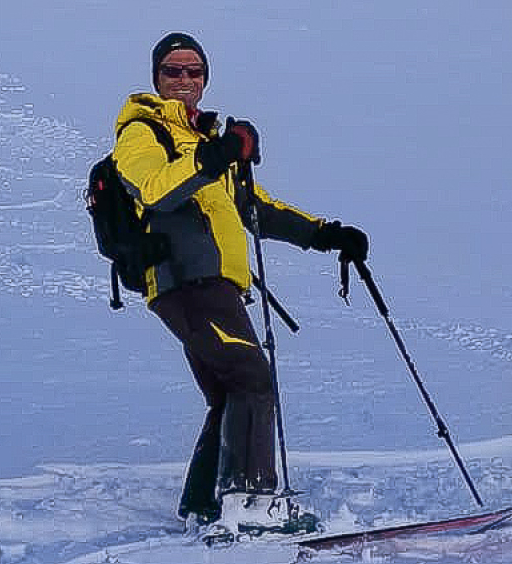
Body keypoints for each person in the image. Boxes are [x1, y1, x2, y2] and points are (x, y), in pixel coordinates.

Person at [111, 32, 370, 536]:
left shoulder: (207, 141)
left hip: (218, 284)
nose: (184, 80)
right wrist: (218, 154)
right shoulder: (141, 134)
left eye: (194, 71)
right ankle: (249, 505)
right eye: (172, 71)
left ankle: (205, 505)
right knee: (251, 377)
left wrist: (325, 234)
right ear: (156, 78)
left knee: (231, 390)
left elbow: (257, 208)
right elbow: (156, 190)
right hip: (185, 281)